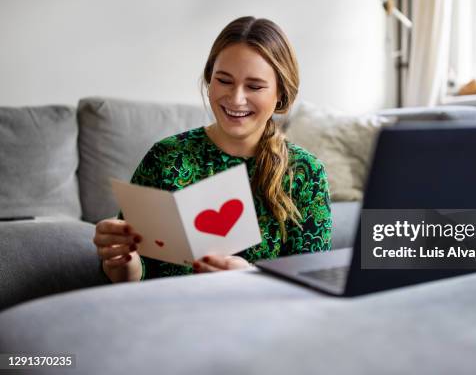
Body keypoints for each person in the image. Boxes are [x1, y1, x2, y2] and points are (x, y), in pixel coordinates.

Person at [93, 16, 332, 282]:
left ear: (280, 95)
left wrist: (251, 278)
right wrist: (123, 264)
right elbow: (137, 272)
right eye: (224, 80)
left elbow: (313, 282)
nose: (236, 98)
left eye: (254, 86)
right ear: (209, 80)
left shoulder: (304, 172)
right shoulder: (167, 157)